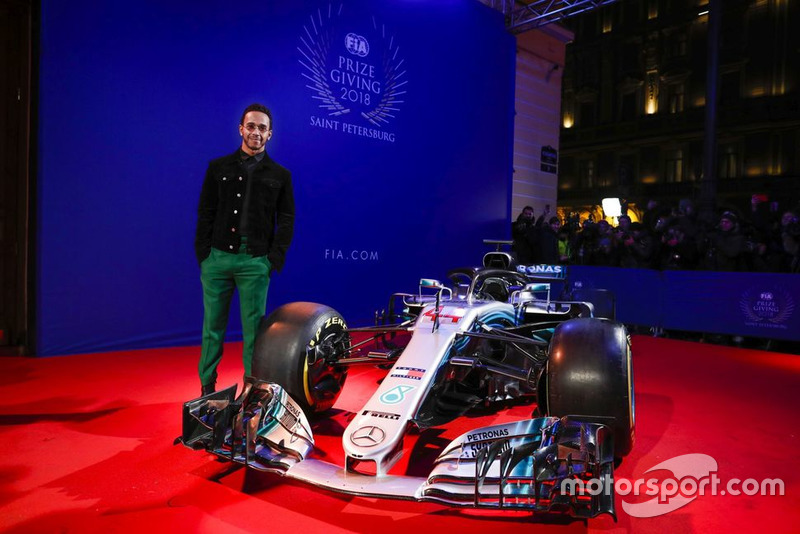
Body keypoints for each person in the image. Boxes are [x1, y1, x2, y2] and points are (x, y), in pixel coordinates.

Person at [194, 103, 295, 395]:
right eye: (251, 126)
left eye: (262, 128)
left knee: (255, 334)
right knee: (212, 330)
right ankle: (207, 389)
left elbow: (286, 219)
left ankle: (252, 391)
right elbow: (206, 212)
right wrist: (205, 255)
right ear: (241, 129)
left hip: (255, 263)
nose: (256, 132)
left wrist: (272, 259)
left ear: (270, 134)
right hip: (217, 260)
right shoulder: (218, 168)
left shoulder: (280, 175)